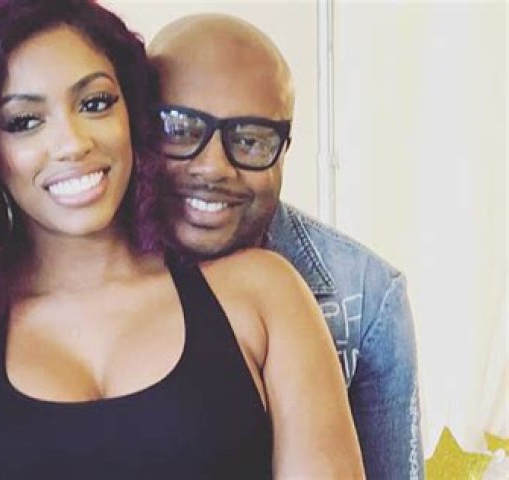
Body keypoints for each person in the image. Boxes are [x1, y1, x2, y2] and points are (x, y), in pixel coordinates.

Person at [0, 1, 363, 478]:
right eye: (24, 121)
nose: (72, 143)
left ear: (133, 113)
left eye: (94, 103)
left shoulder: (261, 294)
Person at [149, 13, 423, 480]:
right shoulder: (83, 273)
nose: (214, 166)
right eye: (180, 129)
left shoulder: (366, 295)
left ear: (284, 148)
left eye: (251, 140)